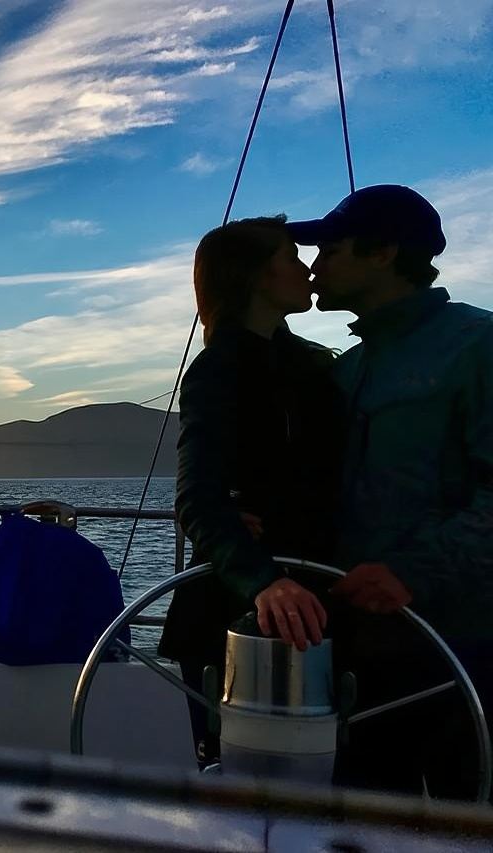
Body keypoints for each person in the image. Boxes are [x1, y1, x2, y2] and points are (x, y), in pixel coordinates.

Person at [288, 184, 493, 799]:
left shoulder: (479, 346)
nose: (314, 267)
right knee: (365, 819)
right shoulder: (346, 368)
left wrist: (411, 572)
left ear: (382, 253)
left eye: (329, 250)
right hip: (360, 644)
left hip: (467, 644)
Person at [158, 216, 345, 766]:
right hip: (240, 610)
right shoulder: (218, 370)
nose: (307, 270)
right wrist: (264, 581)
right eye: (291, 258)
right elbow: (197, 497)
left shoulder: (311, 367)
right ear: (258, 276)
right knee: (237, 778)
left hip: (317, 600)